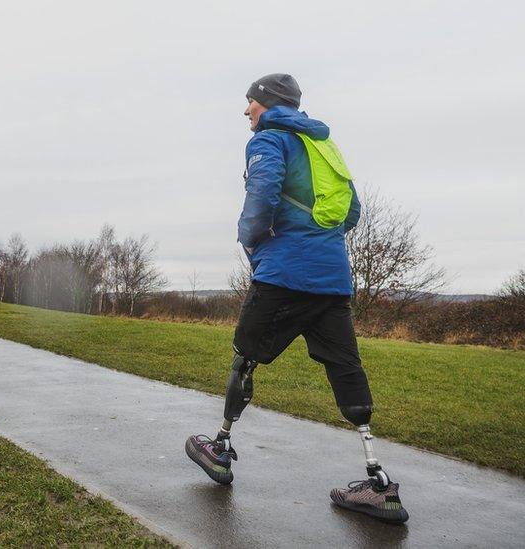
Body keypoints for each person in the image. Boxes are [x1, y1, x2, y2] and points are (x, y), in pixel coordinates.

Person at [184, 74, 408, 524]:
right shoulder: (325, 145)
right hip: (332, 280)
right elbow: (353, 212)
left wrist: (251, 239)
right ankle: (379, 485)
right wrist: (319, 242)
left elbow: (261, 193)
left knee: (246, 355)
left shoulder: (269, 140)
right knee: (346, 366)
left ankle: (220, 446)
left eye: (248, 102)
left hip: (283, 276)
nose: (245, 111)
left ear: (266, 104)